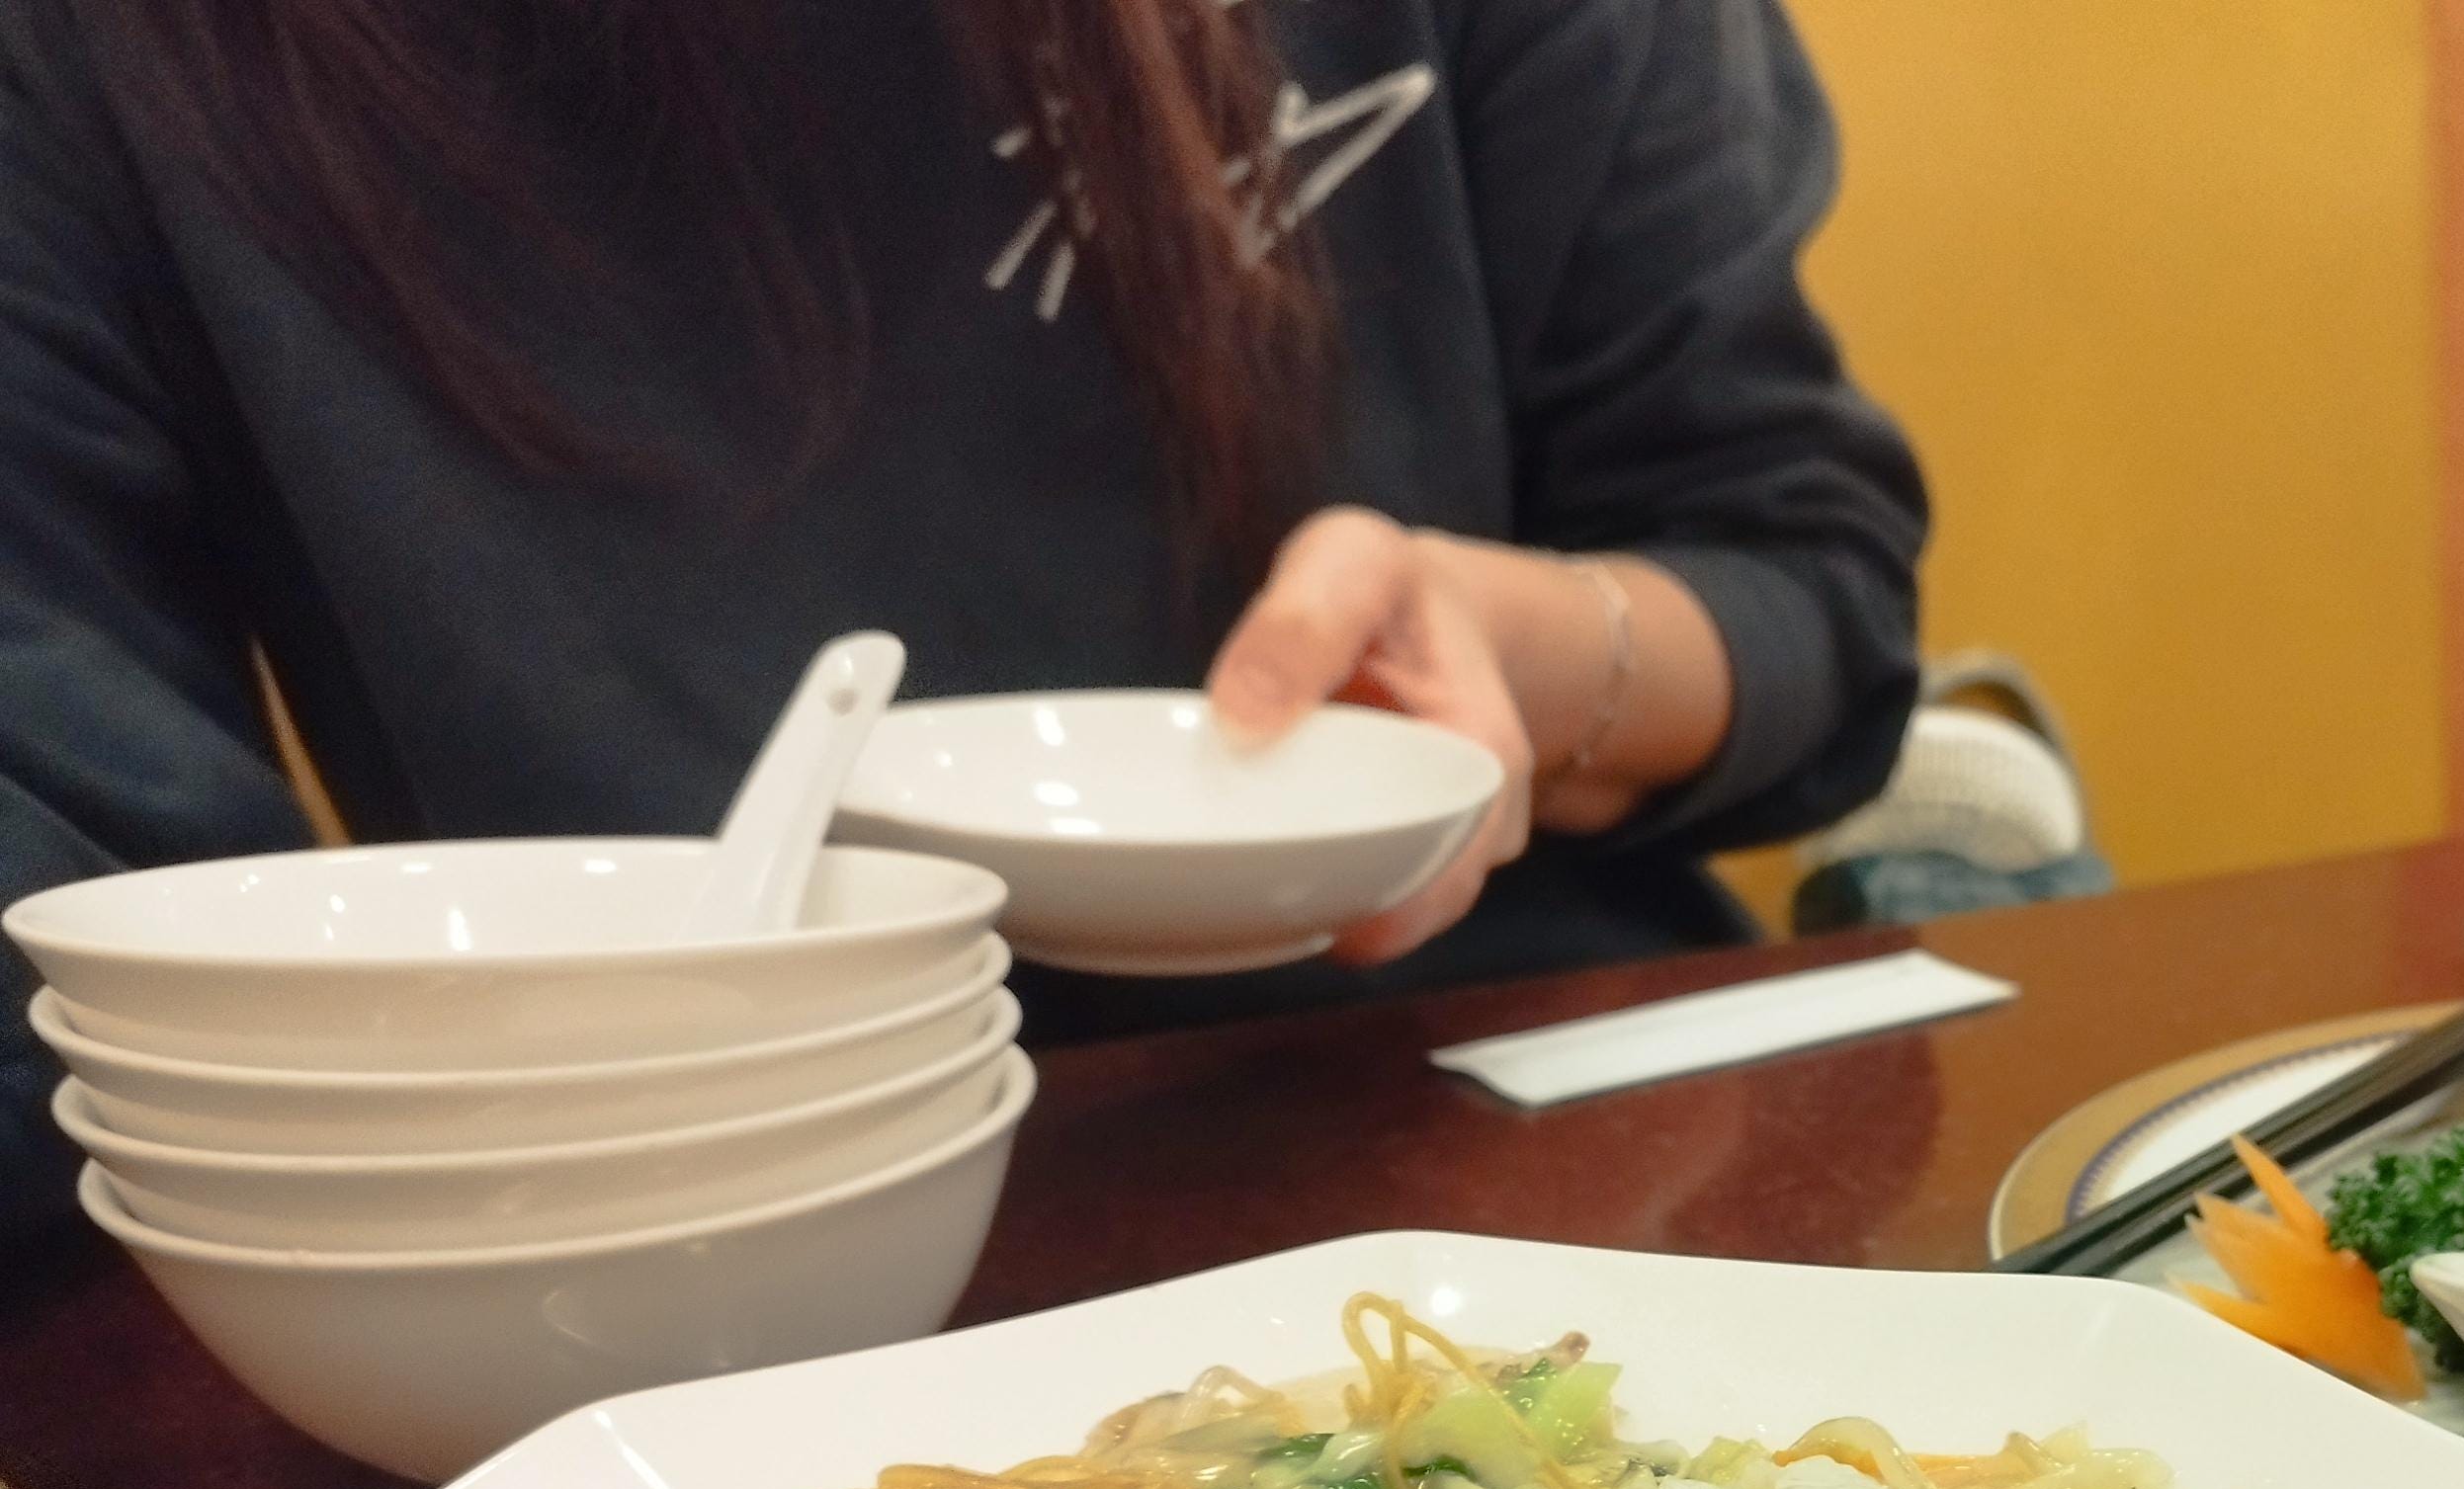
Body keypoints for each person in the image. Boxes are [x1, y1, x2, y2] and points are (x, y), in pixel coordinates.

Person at [0, 0, 1926, 1246]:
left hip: (1522, 1142)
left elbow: (1807, 587)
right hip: (666, 1254)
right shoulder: (111, 70)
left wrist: (1533, 649)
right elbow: (70, 904)